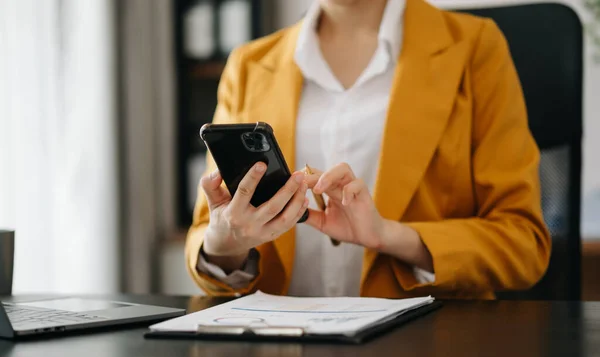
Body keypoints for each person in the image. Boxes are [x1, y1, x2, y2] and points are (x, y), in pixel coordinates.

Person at [185, 0, 551, 299]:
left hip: (421, 341)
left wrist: (387, 235)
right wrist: (225, 242)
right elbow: (210, 229)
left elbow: (523, 244)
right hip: (278, 339)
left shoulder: (475, 48)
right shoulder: (248, 65)